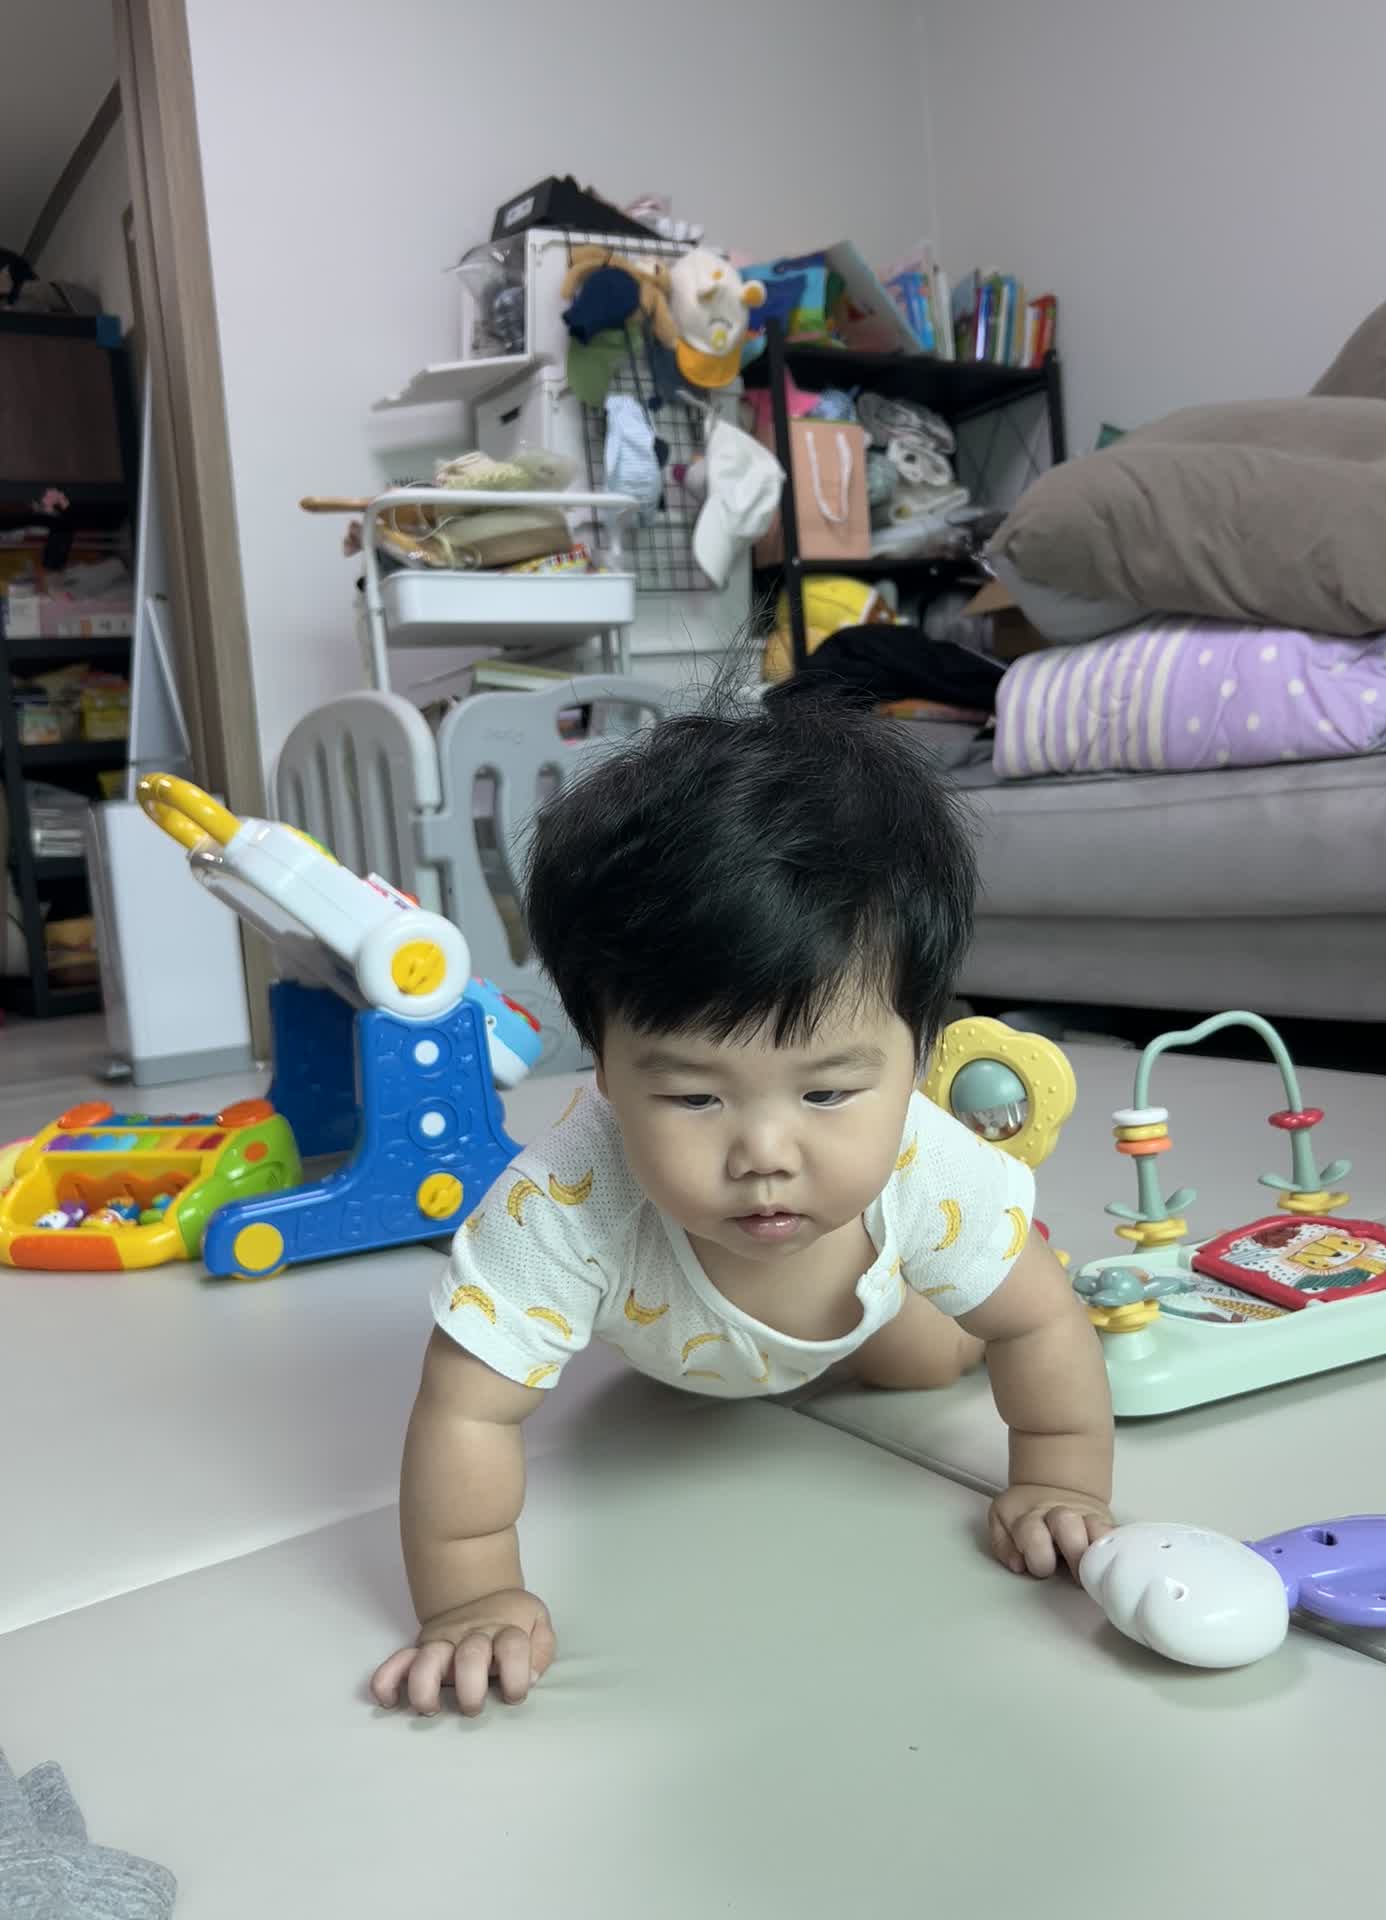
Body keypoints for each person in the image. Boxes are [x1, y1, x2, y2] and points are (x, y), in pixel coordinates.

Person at [372, 679, 1114, 1717]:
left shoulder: (924, 1166)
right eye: (693, 1097)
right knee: (651, 1401)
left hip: (870, 1295)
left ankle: (969, 1263)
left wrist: (1061, 1479)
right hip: (668, 1342)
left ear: (917, 1057)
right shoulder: (562, 1202)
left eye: (827, 1092)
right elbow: (465, 1409)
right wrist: (470, 1598)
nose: (764, 1154)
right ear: (604, 1067)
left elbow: (1039, 1324)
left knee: (932, 1349)